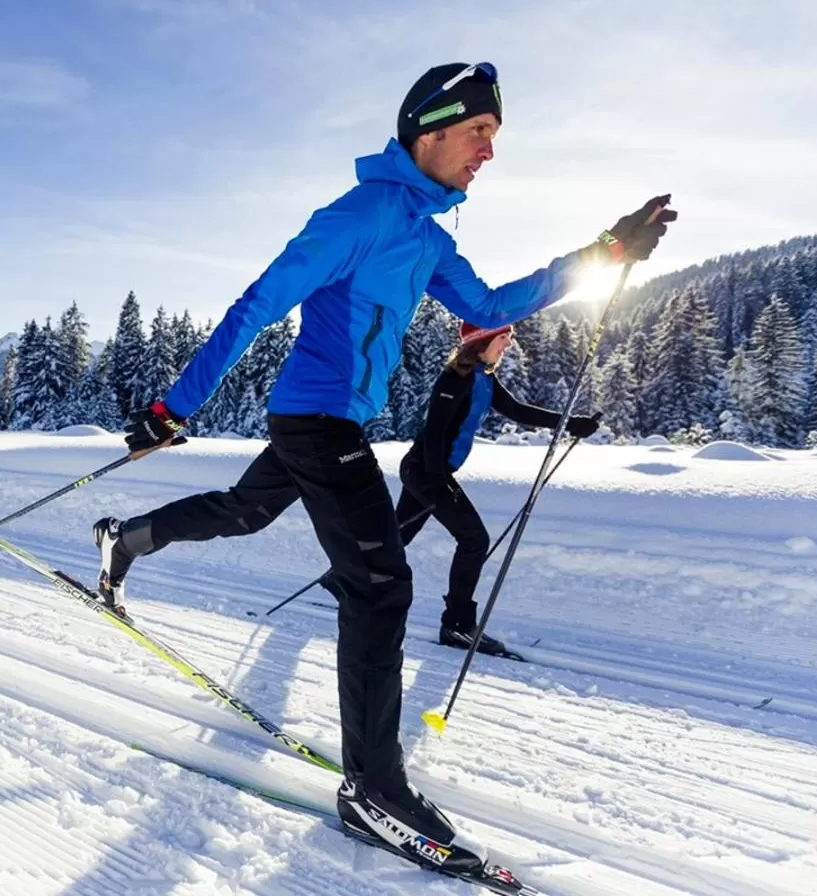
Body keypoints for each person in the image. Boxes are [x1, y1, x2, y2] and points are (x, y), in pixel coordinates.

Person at [95, 61, 675, 871]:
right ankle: (372, 790)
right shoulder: (361, 214)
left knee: (246, 509)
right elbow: (258, 301)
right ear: (429, 130)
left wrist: (605, 251)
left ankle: (125, 540)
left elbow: (492, 306)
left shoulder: (429, 238)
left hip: (329, 420)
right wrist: (173, 405)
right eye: (479, 133)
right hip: (316, 417)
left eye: (495, 139)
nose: (488, 153)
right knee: (381, 585)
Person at [392, 321, 600, 659]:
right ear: (482, 341)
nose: (509, 344)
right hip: (425, 471)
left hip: (431, 472)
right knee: (474, 540)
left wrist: (570, 422)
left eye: (510, 337)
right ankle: (457, 625)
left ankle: (346, 577)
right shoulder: (454, 379)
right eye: (504, 337)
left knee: (398, 534)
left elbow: (517, 410)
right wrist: (437, 477)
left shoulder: (484, 378)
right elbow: (434, 430)